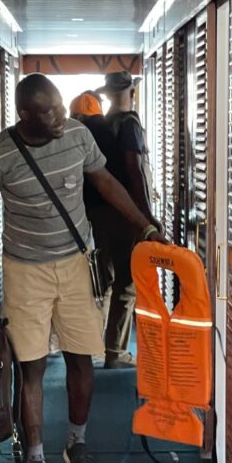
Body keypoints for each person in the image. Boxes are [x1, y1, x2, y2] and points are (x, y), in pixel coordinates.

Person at [0, 73, 163, 463]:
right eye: (49, 112)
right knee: (32, 367)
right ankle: (36, 459)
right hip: (25, 270)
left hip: (76, 263)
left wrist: (145, 226)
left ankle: (77, 442)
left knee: (81, 358)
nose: (60, 117)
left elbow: (107, 183)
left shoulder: (77, 135)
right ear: (25, 114)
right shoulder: (0, 153)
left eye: (60, 107)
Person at [90, 69, 159, 369]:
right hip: (124, 213)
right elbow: (135, 171)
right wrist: (146, 218)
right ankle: (116, 352)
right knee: (126, 282)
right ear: (131, 92)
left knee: (104, 280)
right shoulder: (130, 124)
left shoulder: (97, 125)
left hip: (97, 213)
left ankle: (95, 346)